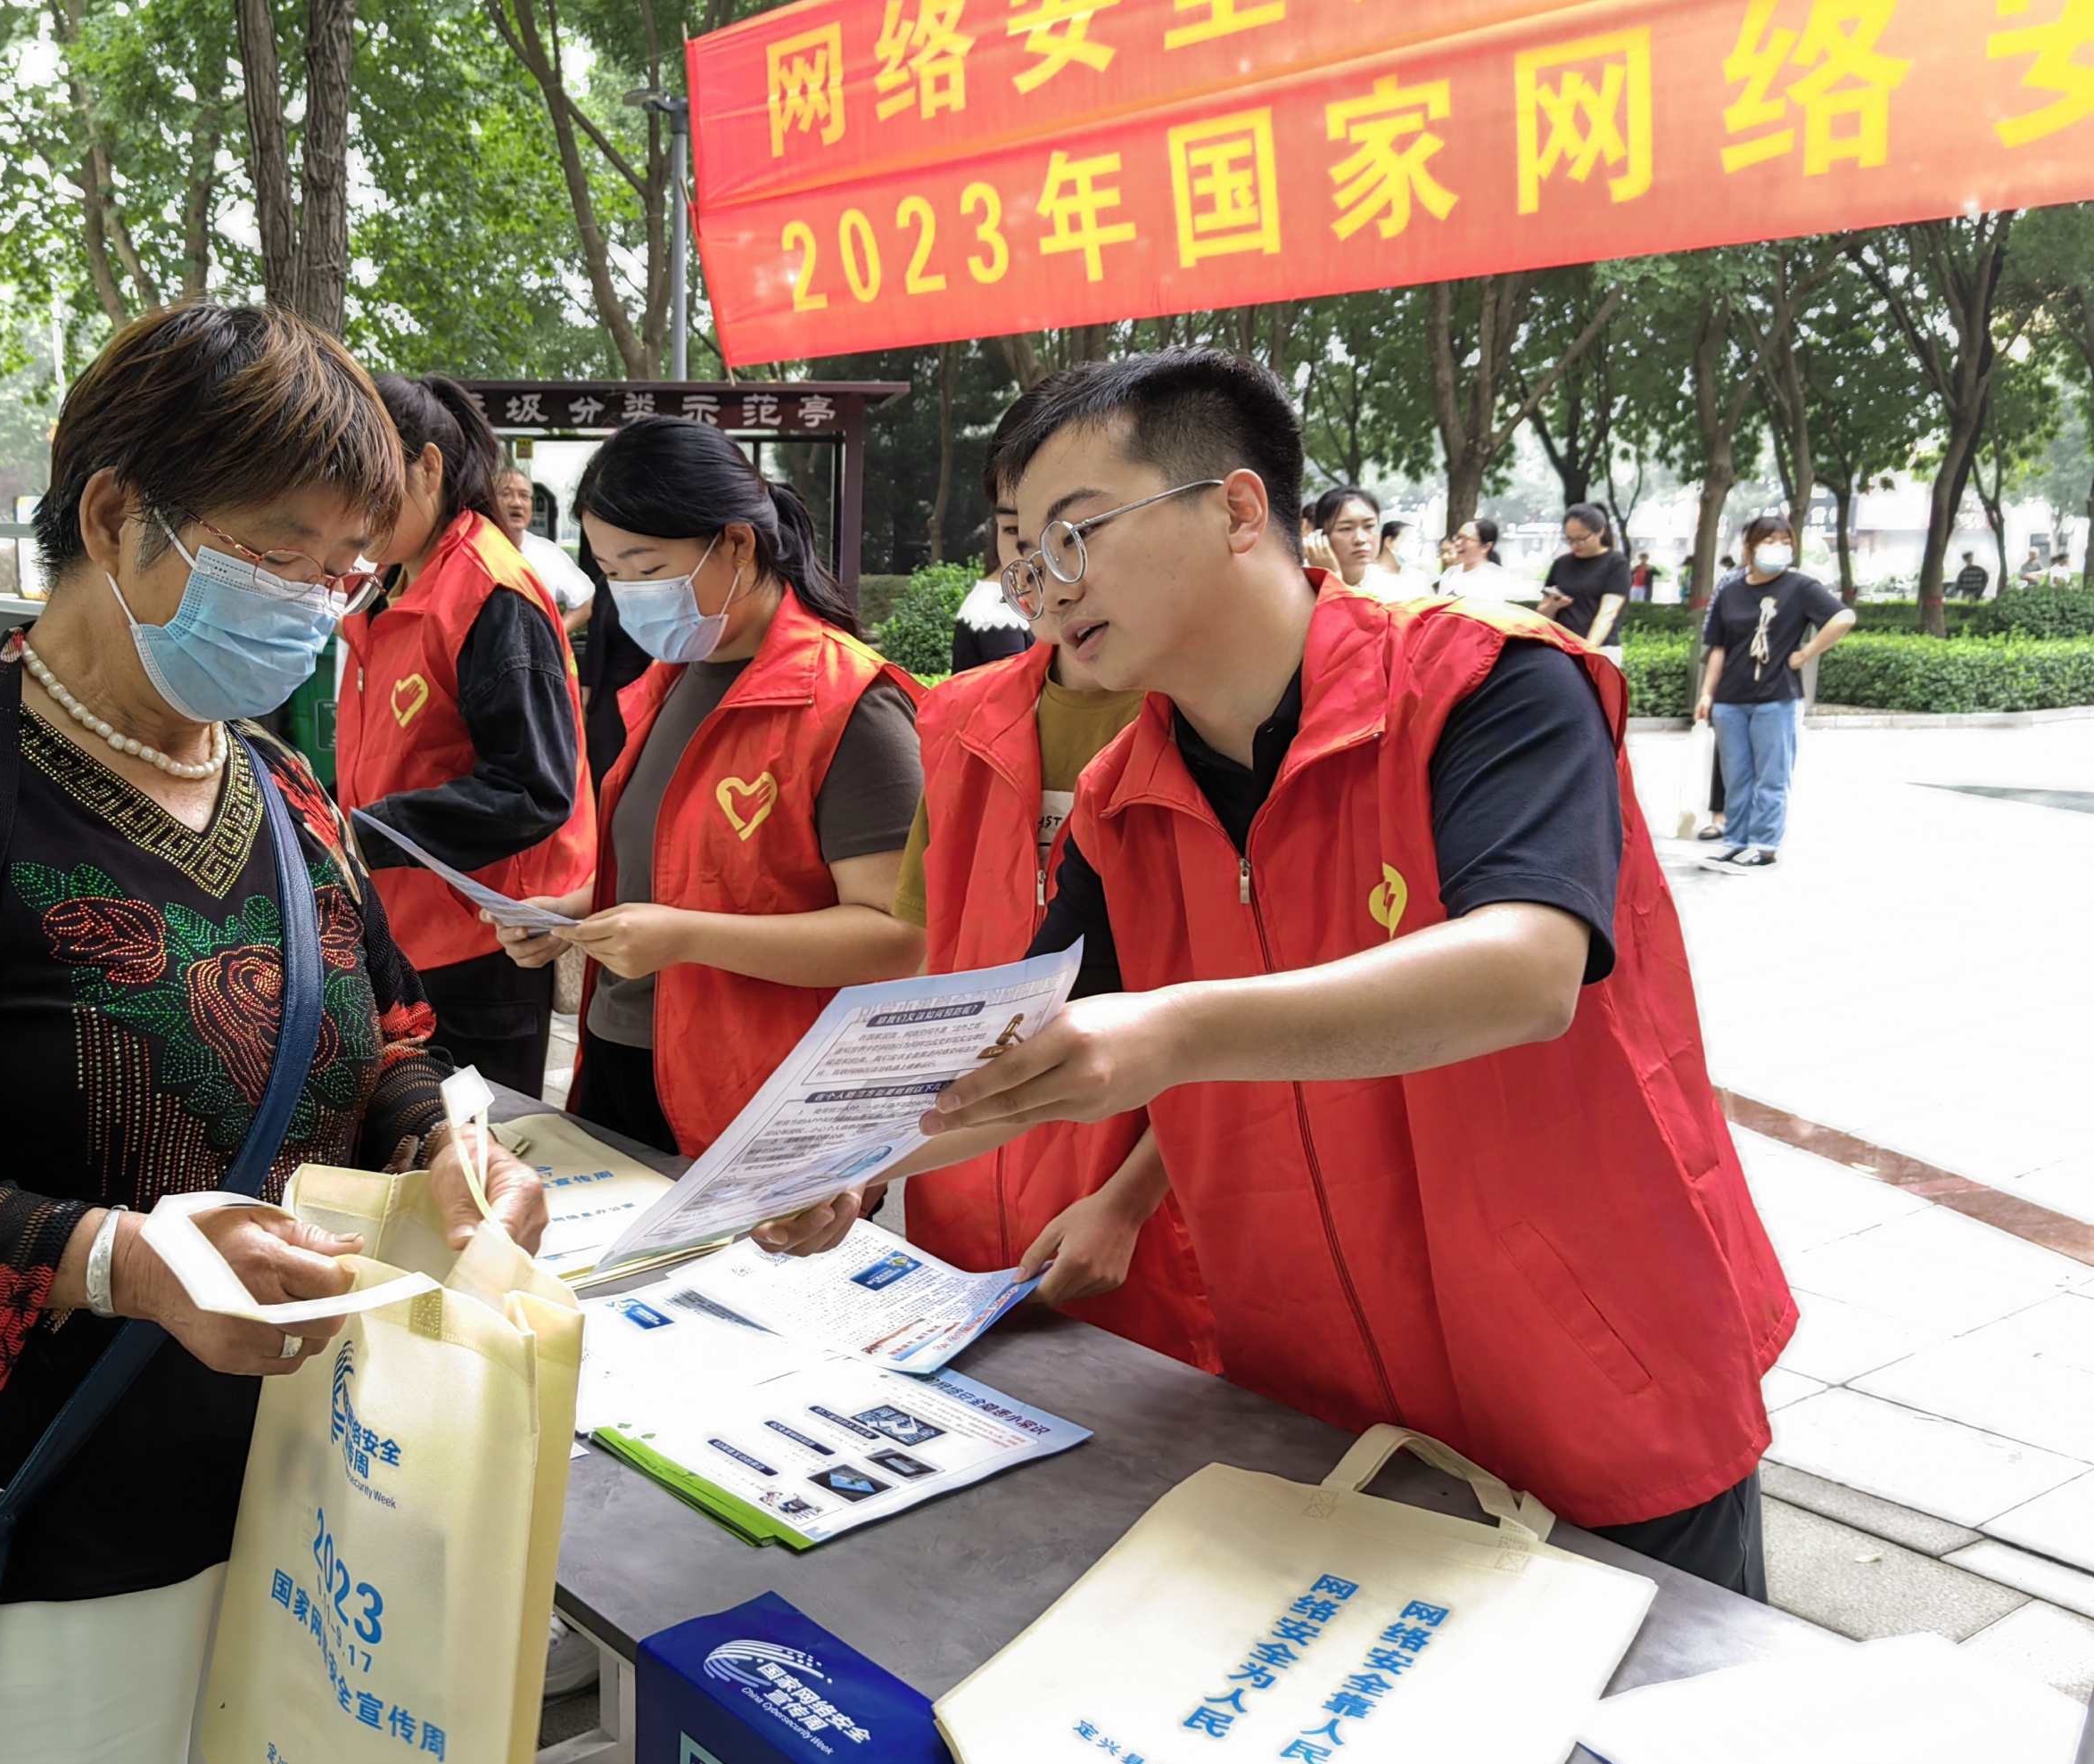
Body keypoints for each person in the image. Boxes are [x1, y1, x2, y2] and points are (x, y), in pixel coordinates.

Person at [775, 348, 1793, 1599]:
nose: (1046, 589)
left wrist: (1175, 1032)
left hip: (1596, 1376)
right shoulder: (1121, 797)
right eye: (1026, 558)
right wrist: (856, 1162)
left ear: (1239, 509)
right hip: (1321, 1398)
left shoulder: (1486, 683)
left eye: (1076, 536)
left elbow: (1530, 968)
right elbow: (1022, 1043)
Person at [0, 304, 549, 1764]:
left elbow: (386, 1035)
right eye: (276, 554)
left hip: (297, 1496)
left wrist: (441, 1143)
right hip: (15, 1528)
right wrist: (113, 1260)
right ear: (112, 517)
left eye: (342, 570)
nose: (312, 604)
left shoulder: (288, 794)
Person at [491, 416, 927, 1158]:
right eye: (612, 572)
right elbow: (684, 868)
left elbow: (896, 937)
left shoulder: (849, 703)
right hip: (621, 1055)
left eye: (649, 568)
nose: (630, 594)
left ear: (738, 544)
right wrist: (573, 914)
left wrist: (686, 938)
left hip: (756, 1087)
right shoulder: (671, 680)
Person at [894, 400, 1214, 1370]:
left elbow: (1244, 1001)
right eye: (1014, 535)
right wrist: (867, 1154)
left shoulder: (1206, 726)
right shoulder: (954, 718)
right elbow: (924, 952)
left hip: (1138, 1198)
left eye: (1073, 534)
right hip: (963, 1172)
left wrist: (1130, 1197)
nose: (1040, 569)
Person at [337, 375, 594, 1098]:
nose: (352, 516)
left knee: (476, 1143)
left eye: (368, 490)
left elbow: (532, 788)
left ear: (428, 468)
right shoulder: (390, 582)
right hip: (402, 928)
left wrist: (359, 834)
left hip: (482, 943)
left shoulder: (489, 591)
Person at [1694, 513, 1857, 873]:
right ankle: (1736, 842)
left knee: (1772, 776)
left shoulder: (1799, 587)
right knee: (1736, 776)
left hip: (1777, 697)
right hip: (1730, 699)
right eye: (1769, 541)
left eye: (1785, 542)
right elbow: (1718, 647)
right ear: (1749, 547)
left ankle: (1765, 846)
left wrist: (1805, 653)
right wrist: (1707, 693)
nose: (1778, 548)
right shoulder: (1731, 591)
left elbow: (1843, 617)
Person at [493, 464, 595, 628]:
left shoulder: (547, 554)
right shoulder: (474, 551)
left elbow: (585, 600)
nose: (517, 503)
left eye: (524, 496)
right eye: (506, 494)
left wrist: (555, 636)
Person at [1538, 502, 1629, 662]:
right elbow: (1541, 613)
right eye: (1569, 539)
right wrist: (1553, 606)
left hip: (1600, 649)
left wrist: (1587, 651)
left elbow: (1608, 613)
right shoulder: (1561, 563)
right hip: (1561, 648)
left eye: (1581, 539)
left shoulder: (1616, 563)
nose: (1575, 545)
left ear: (1600, 531)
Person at [1435, 518, 1523, 600]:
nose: (1457, 543)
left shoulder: (1499, 578)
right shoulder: (1450, 574)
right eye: (1457, 537)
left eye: (1464, 539)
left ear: (1486, 547)